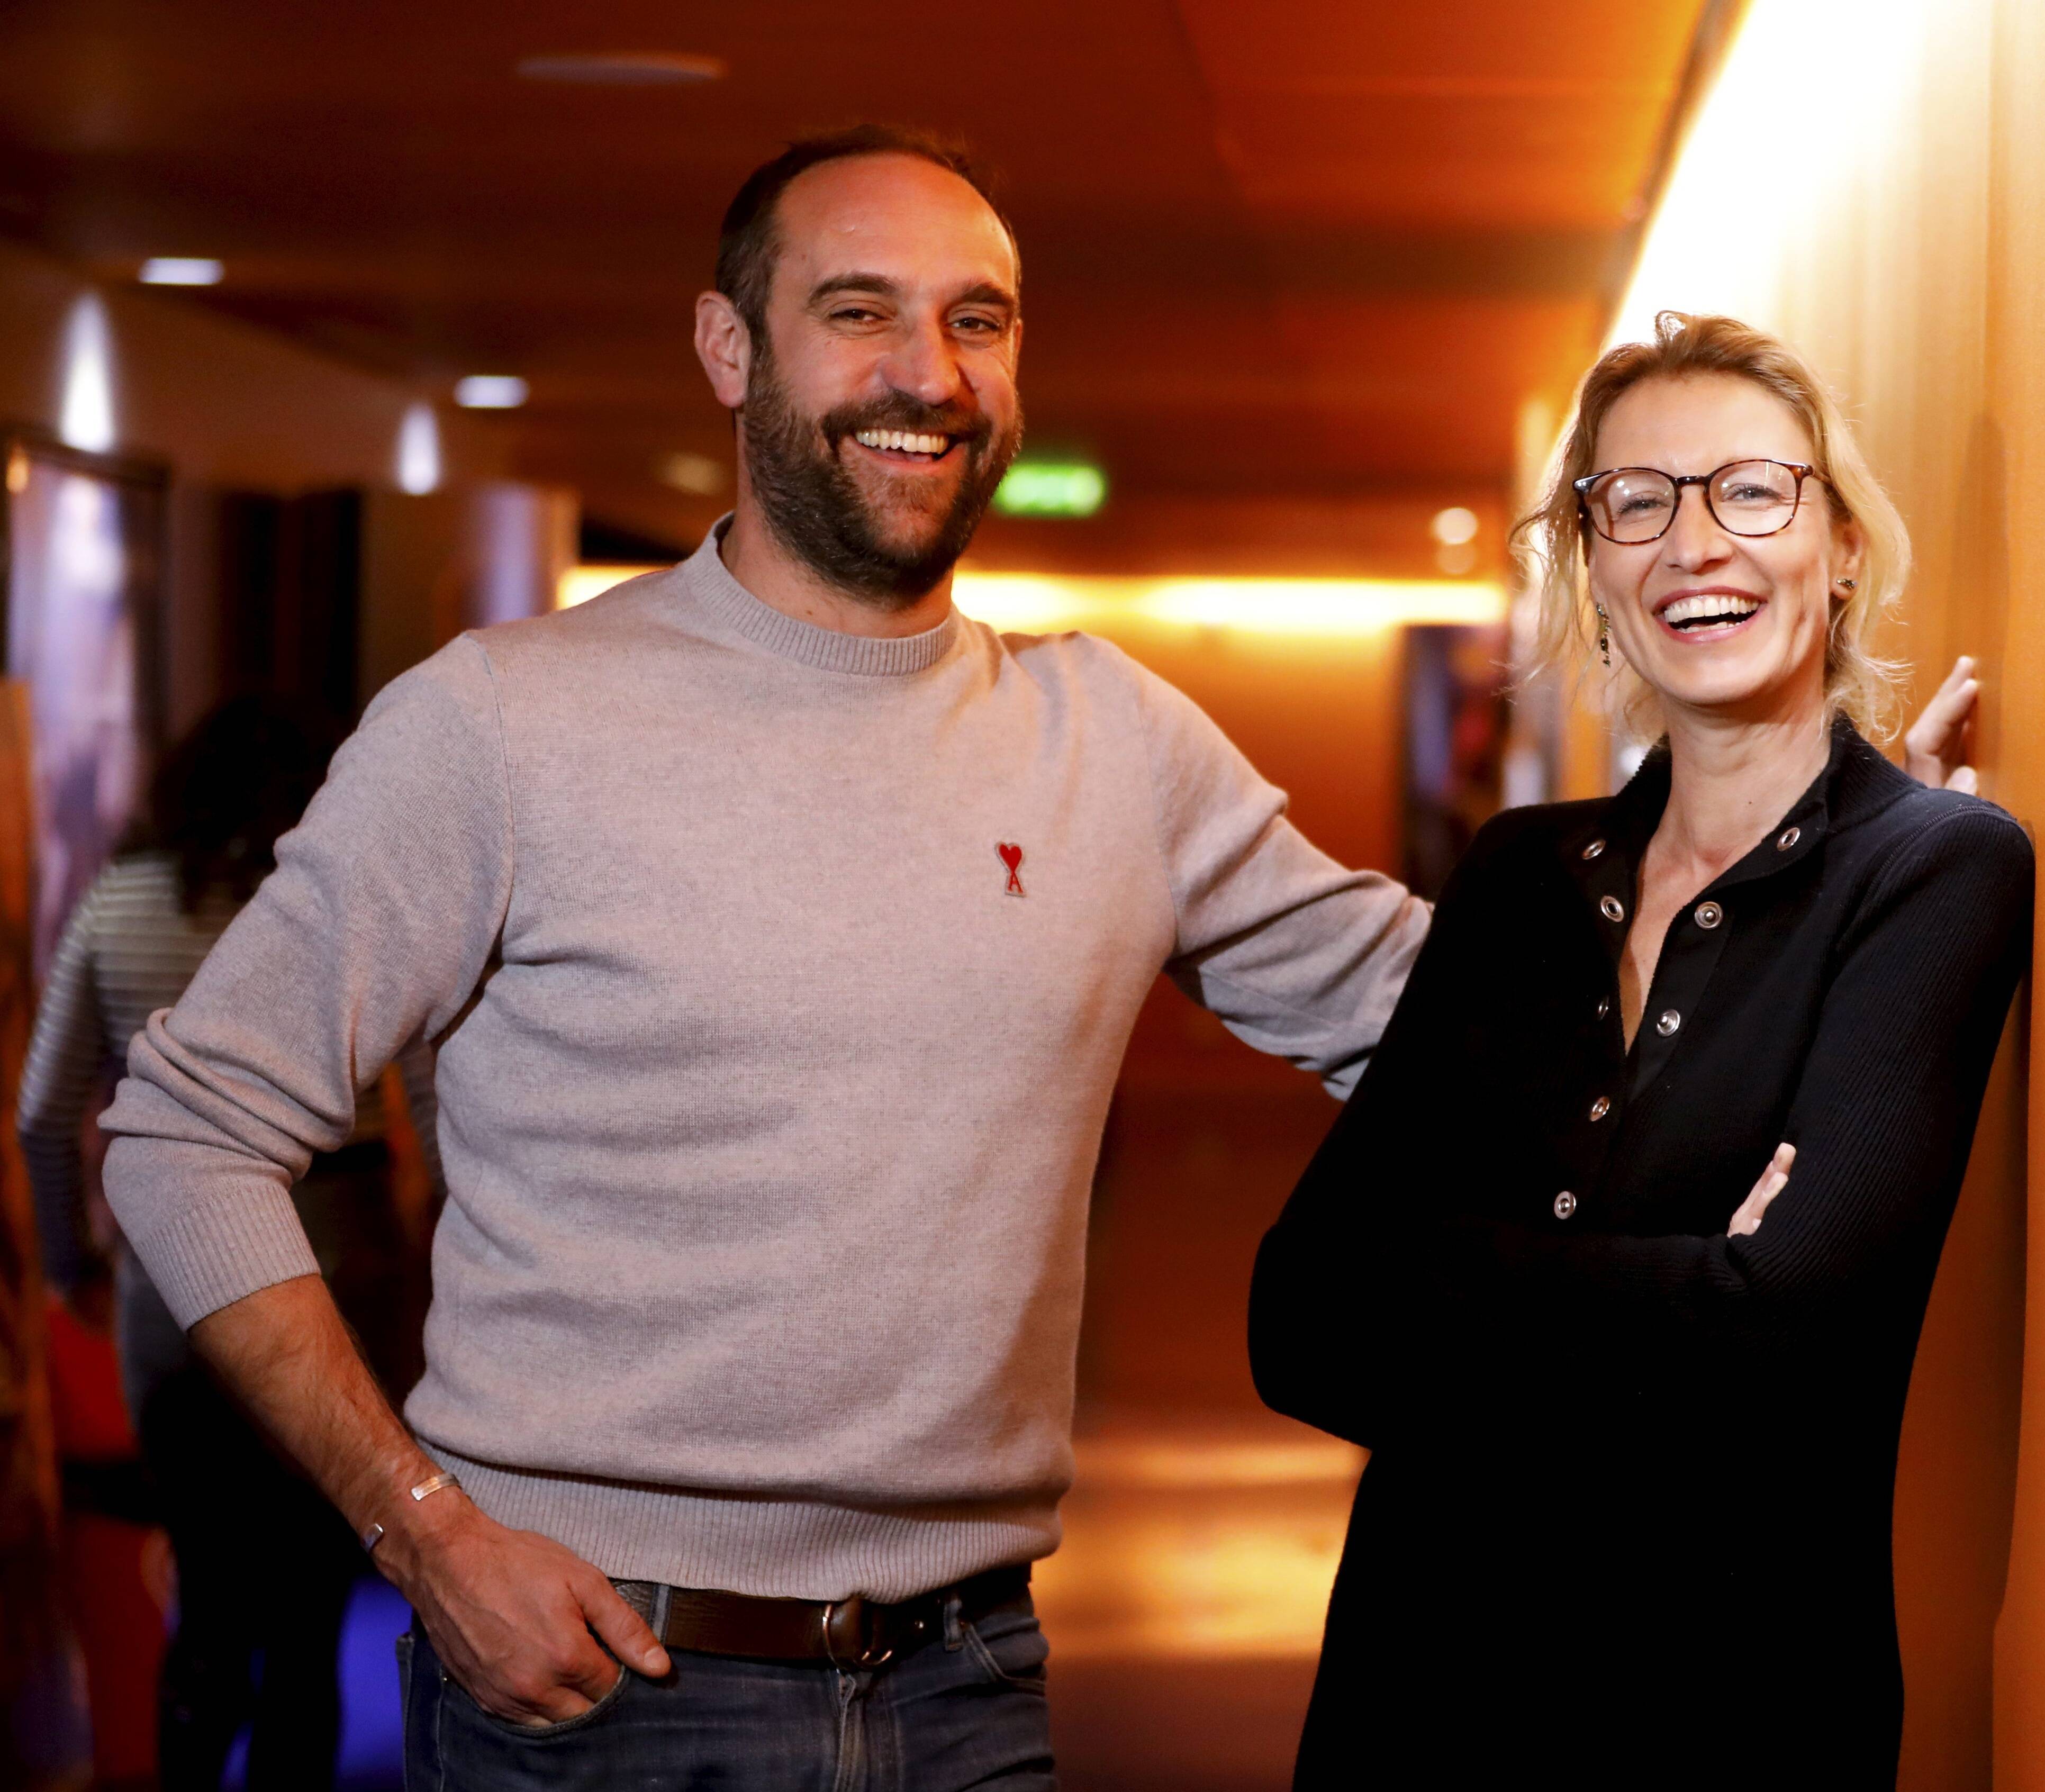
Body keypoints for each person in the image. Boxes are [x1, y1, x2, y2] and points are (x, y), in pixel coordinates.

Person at [98, 126, 1425, 1790]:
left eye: (979, 319)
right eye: (858, 311)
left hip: (970, 1687)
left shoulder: (1120, 744)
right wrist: (421, 1528)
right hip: (589, 1697)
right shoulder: (504, 722)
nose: (926, 373)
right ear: (730, 348)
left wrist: (1776, 816)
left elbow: (1452, 1020)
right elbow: (181, 1133)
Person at [1248, 312, 2036, 1785]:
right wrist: (1694, 1284)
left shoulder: (1933, 869)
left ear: (1844, 542)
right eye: (1637, 501)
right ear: (1591, 566)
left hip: (1729, 1709)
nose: (1694, 543)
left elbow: (1793, 1342)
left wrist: (1452, 1272)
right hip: (1415, 1694)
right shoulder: (1516, 878)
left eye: (1752, 488)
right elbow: (1304, 1316)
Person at [22, 697, 438, 1790]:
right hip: (344, 1271)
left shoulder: (117, 903)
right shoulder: (338, 902)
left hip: (170, 1280)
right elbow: (439, 1102)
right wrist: (432, 1236)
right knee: (311, 1605)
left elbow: (38, 1113)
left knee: (205, 1596)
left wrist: (74, 1270)